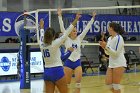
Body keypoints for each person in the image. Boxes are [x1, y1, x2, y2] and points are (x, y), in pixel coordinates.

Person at [39, 12, 81, 93]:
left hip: (47, 72)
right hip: (57, 71)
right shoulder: (55, 44)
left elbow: (41, 36)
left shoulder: (41, 44)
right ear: (54, 36)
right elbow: (67, 32)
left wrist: (41, 27)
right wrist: (76, 19)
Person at [58, 8, 96, 93]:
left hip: (77, 62)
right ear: (70, 32)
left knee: (78, 84)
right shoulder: (66, 38)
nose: (75, 32)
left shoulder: (79, 38)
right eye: (73, 31)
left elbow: (86, 29)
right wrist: (59, 16)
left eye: (76, 31)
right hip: (68, 62)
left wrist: (92, 19)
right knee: (67, 84)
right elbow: (62, 27)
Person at [99, 22, 127, 93]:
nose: (108, 29)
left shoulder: (119, 38)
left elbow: (116, 53)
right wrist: (104, 47)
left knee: (116, 86)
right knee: (108, 83)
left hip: (119, 63)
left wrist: (107, 47)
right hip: (111, 64)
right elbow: (107, 53)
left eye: (108, 27)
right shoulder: (109, 39)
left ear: (111, 28)